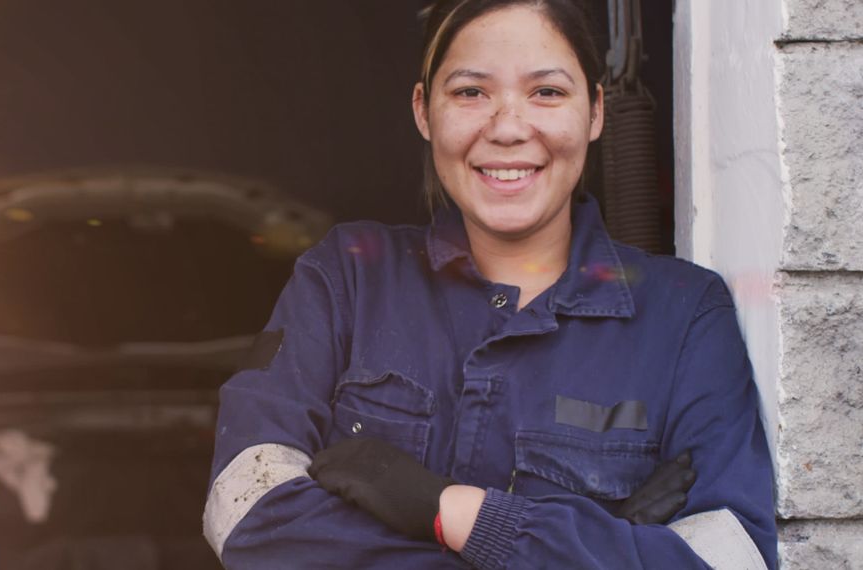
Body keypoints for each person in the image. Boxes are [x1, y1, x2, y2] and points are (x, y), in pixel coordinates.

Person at [203, 0, 776, 568]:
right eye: (470, 92)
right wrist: (585, 547)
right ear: (424, 110)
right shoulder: (347, 276)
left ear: (596, 111)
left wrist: (453, 510)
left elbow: (732, 559)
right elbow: (247, 512)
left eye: (546, 92)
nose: (507, 128)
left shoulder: (684, 316)